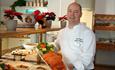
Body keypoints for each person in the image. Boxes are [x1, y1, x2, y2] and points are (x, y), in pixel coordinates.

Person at [54, 2, 96, 70]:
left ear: (81, 14)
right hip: (66, 67)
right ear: (67, 13)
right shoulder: (62, 32)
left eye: (76, 12)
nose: (72, 15)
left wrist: (74, 67)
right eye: (70, 11)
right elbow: (56, 45)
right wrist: (47, 49)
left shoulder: (88, 33)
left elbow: (88, 56)